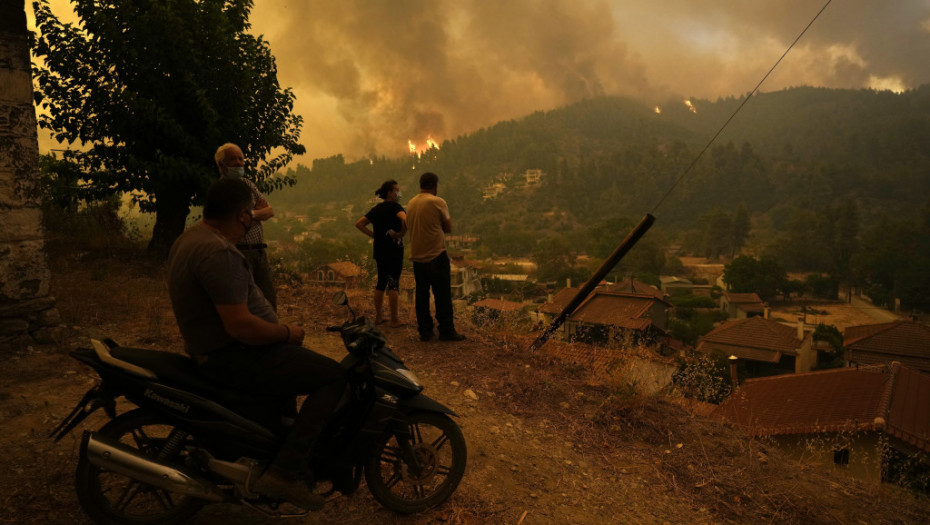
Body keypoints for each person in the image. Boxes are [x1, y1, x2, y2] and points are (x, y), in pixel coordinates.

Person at [167, 178, 345, 510]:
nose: (250, 221)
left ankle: (270, 450)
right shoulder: (219, 253)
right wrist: (286, 333)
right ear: (243, 216)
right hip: (232, 354)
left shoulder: (189, 238)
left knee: (293, 375)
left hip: (211, 348)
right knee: (332, 375)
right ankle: (284, 472)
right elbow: (241, 327)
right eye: (250, 214)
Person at [214, 143, 277, 310]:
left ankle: (270, 333)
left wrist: (251, 214)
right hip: (238, 252)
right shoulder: (221, 190)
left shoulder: (248, 185)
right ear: (222, 164)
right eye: (233, 159)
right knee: (246, 300)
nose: (239, 162)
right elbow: (233, 218)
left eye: (241, 159)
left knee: (268, 298)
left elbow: (269, 211)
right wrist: (256, 212)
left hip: (258, 252)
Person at [405, 172, 466, 342]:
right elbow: (448, 227)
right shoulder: (438, 202)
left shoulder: (410, 203)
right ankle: (446, 330)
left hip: (417, 256)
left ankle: (425, 331)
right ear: (435, 185)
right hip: (436, 254)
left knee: (422, 295)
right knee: (442, 294)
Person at [355, 180, 407, 327]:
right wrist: (401, 233)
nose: (398, 193)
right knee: (393, 283)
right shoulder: (396, 207)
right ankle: (395, 319)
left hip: (379, 249)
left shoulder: (376, 208)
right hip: (394, 249)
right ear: (390, 192)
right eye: (396, 190)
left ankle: (378, 317)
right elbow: (406, 219)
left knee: (381, 283)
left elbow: (359, 224)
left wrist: (374, 235)